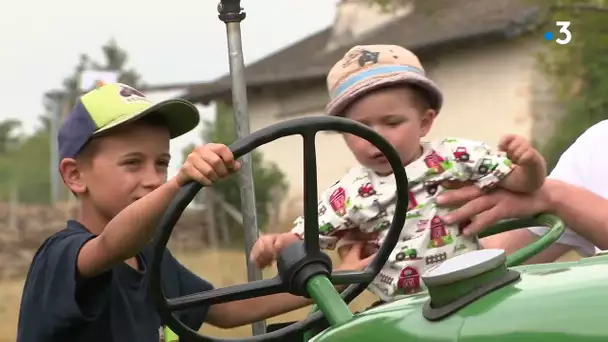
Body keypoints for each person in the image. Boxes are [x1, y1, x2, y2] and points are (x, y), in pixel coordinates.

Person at [16, 83, 374, 342]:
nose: (153, 179)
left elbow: (226, 311)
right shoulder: (61, 256)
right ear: (75, 176)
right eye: (132, 163)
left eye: (161, 164)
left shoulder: (152, 258)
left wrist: (328, 281)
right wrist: (179, 184)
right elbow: (111, 245)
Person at [250, 45, 547, 302]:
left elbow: (524, 184)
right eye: (361, 128)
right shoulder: (348, 193)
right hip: (400, 309)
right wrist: (276, 244)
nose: (376, 138)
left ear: (424, 122)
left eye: (392, 122)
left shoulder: (455, 157)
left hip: (476, 286)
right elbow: (308, 240)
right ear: (343, 133)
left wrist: (530, 164)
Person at [436, 120, 608, 262]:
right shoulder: (599, 141)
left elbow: (550, 196)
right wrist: (425, 258)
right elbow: (519, 249)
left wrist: (555, 196)